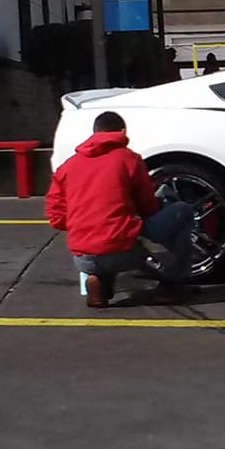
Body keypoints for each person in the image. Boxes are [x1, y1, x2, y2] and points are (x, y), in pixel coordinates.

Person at [45, 111, 196, 308]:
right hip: (122, 251)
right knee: (183, 211)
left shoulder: (68, 166)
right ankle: (171, 285)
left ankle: (99, 282)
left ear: (94, 132)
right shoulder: (129, 159)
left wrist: (85, 224)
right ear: (122, 131)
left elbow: (55, 216)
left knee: (107, 238)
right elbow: (147, 207)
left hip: (83, 257)